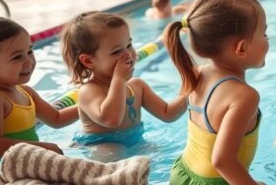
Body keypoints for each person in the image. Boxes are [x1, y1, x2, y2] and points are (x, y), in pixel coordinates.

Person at [163, 0, 276, 185]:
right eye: (264, 34)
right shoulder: (244, 96)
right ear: (242, 48)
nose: (268, 40)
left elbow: (169, 114)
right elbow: (222, 160)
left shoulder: (198, 73)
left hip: (179, 179)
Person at [60, 12, 186, 145]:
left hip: (135, 140)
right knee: (112, 150)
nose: (128, 54)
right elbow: (111, 120)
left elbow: (168, 114)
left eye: (129, 45)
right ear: (88, 61)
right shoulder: (89, 91)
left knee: (154, 152)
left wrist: (191, 90)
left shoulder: (138, 86)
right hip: (100, 144)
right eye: (116, 51)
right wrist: (119, 79)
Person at [0, 18, 79, 160]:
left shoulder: (27, 92)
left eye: (29, 52)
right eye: (17, 57)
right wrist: (40, 147)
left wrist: (88, 107)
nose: (28, 61)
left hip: (27, 164)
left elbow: (57, 119)